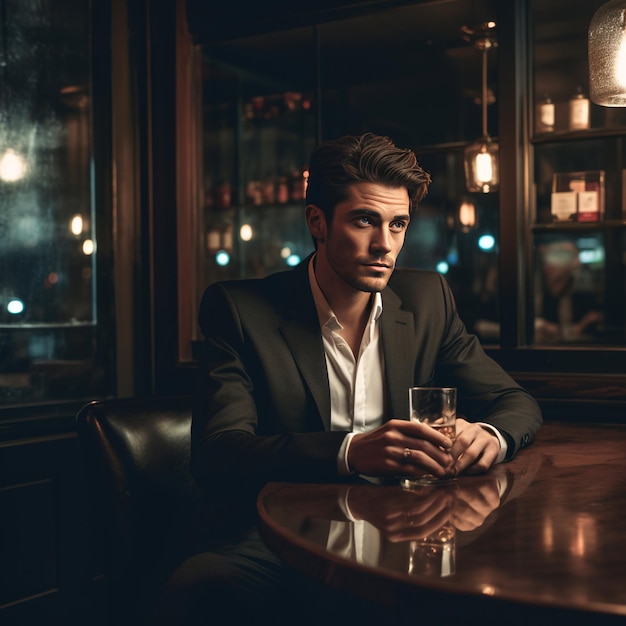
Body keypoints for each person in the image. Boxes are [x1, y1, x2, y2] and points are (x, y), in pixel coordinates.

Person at [155, 132, 542, 625]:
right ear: (317, 221)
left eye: (398, 224)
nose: (386, 244)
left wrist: (490, 434)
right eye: (365, 220)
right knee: (201, 587)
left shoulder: (427, 300)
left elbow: (514, 401)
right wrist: (351, 450)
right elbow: (219, 452)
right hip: (281, 535)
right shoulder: (239, 308)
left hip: (411, 527)